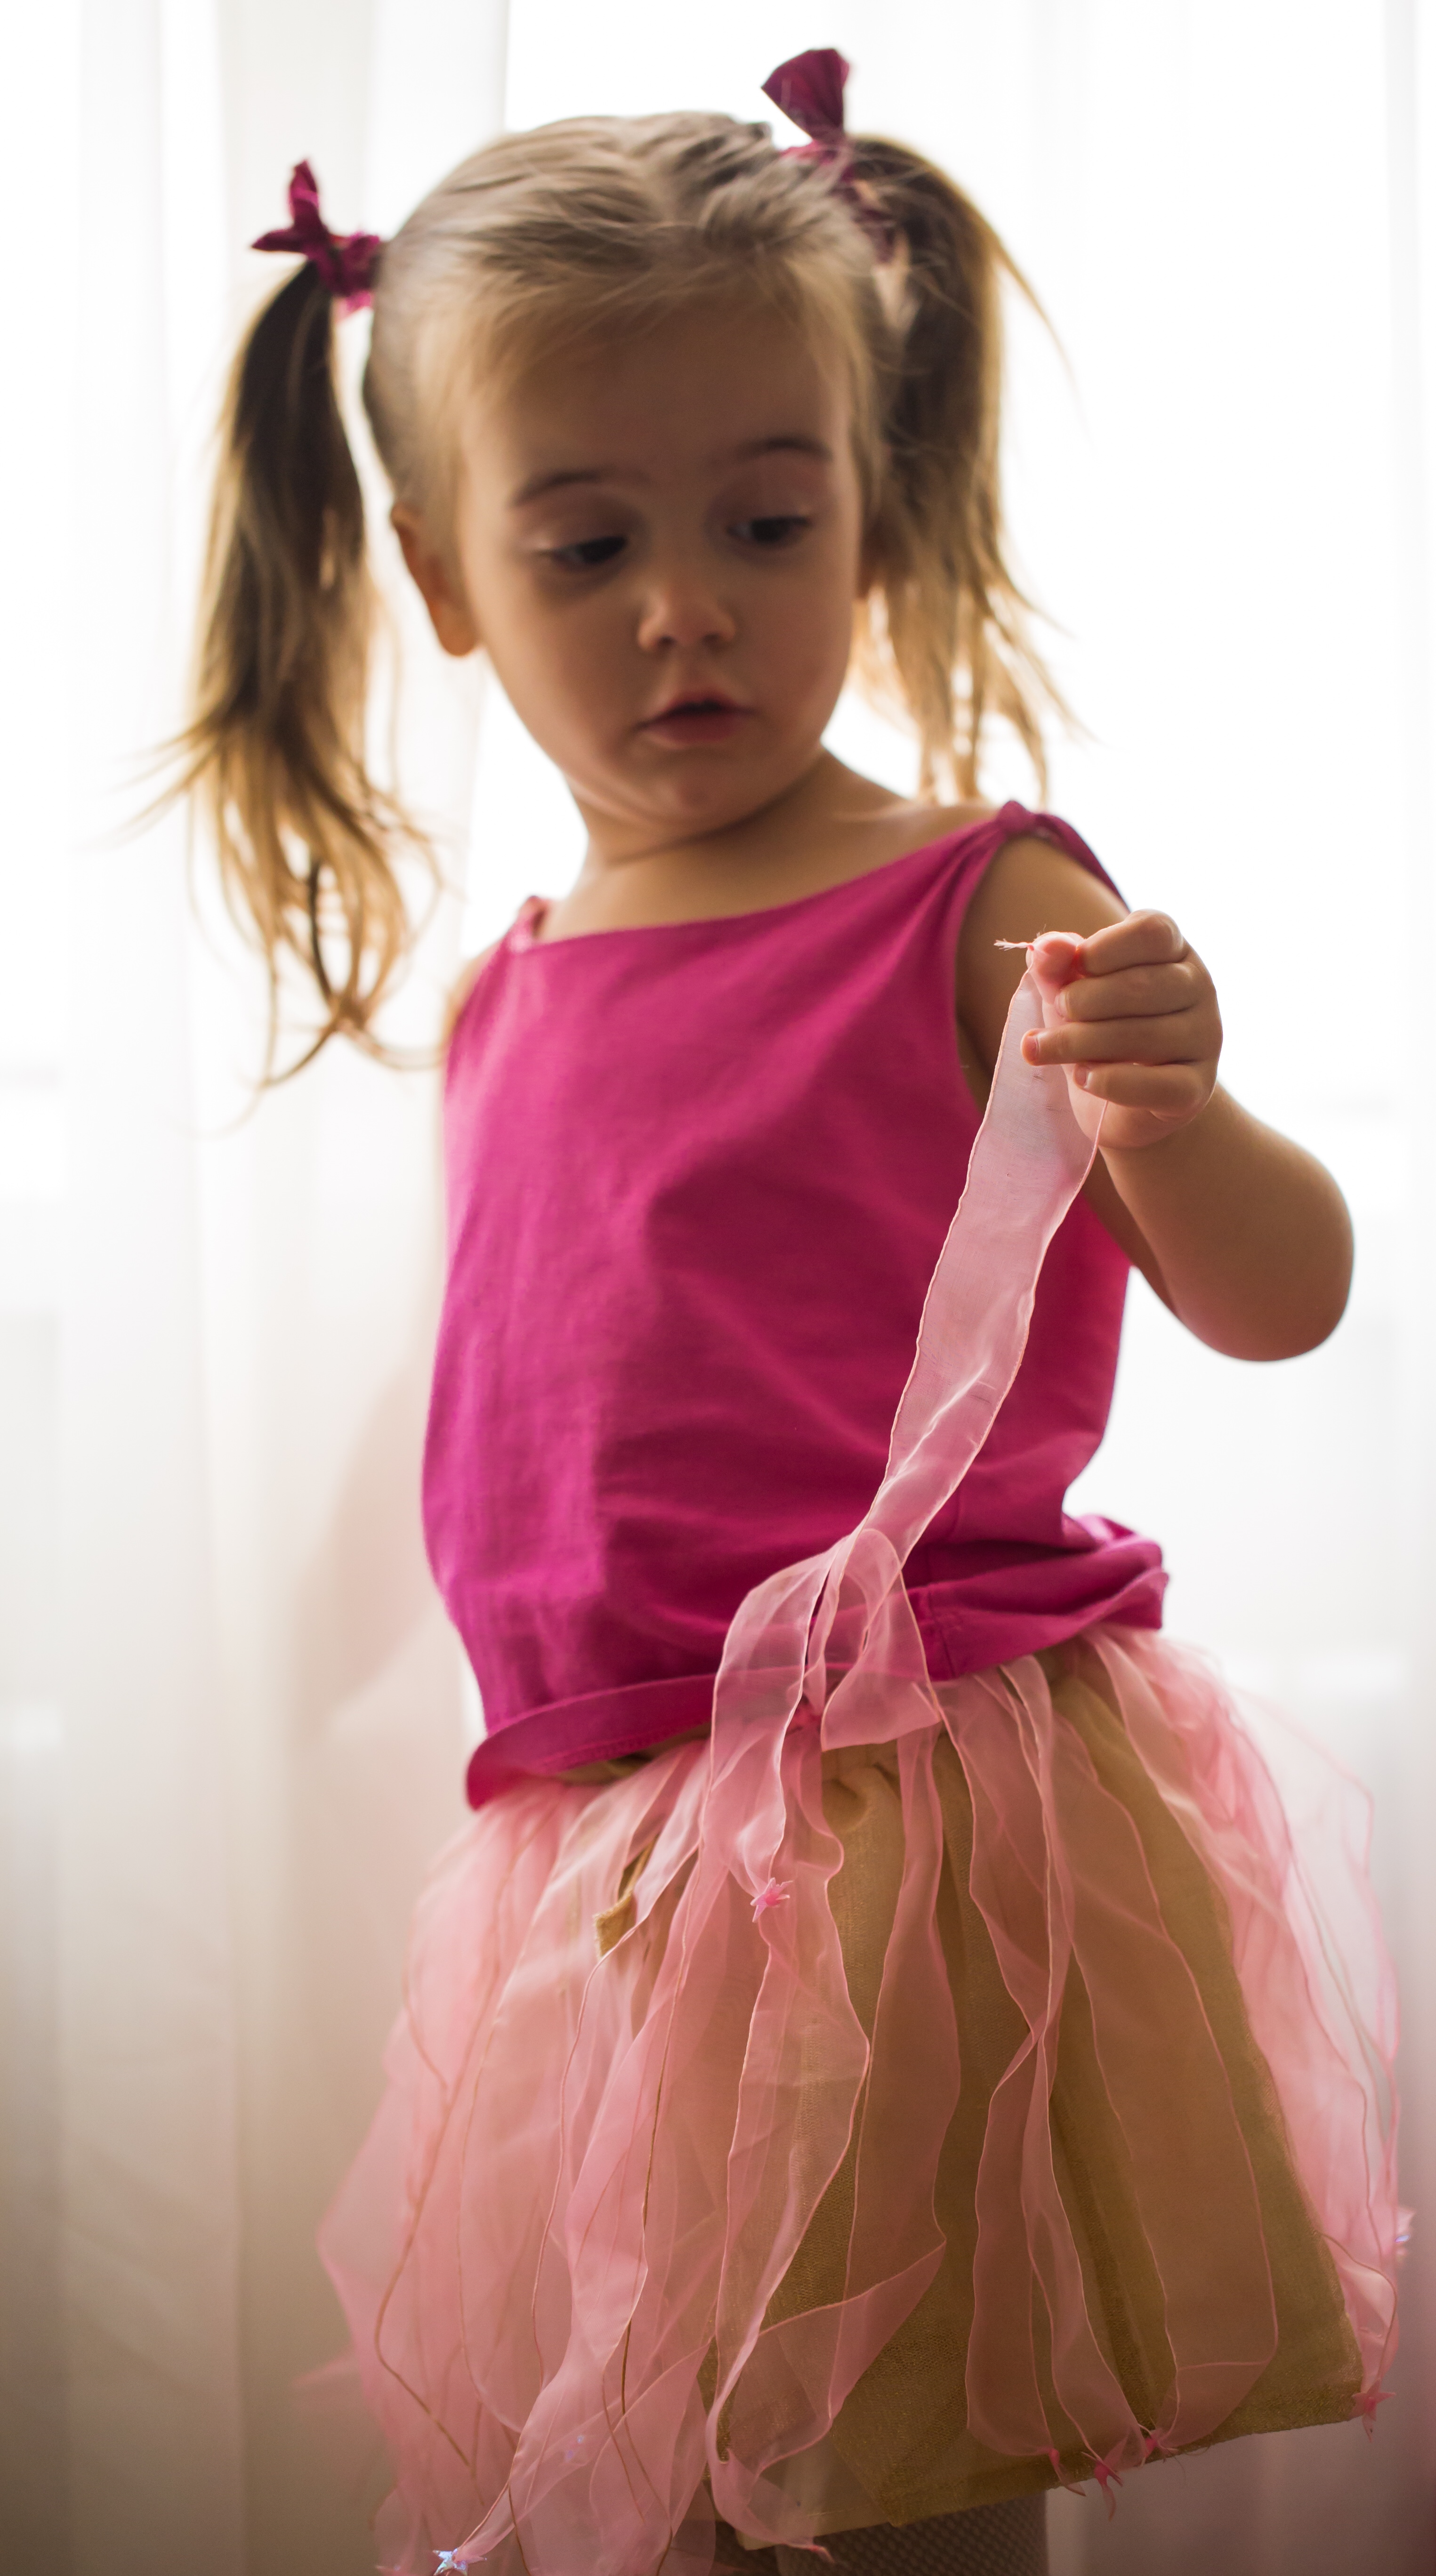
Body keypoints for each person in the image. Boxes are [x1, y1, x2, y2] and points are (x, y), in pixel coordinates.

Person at [177, 51, 1399, 2576]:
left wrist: (1175, 1114)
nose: (686, 603)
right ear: (440, 581)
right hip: (612, 1849)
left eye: (768, 514)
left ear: (875, 507)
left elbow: (1281, 1301)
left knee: (896, 2490)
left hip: (914, 1838)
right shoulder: (514, 988)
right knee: (661, 2498)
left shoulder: (976, 895)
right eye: (591, 536)